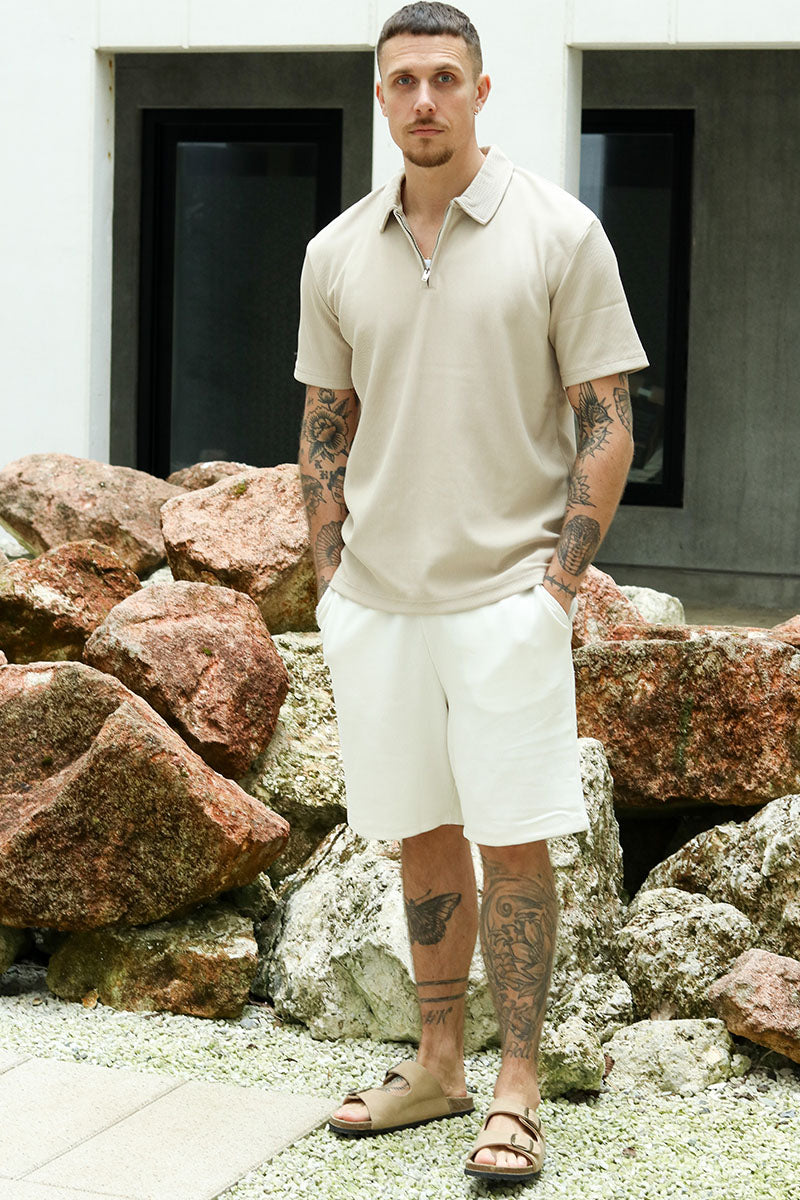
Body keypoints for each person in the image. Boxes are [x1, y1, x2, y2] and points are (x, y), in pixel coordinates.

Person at [295, 1, 646, 1184]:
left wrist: (554, 589)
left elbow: (605, 422)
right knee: (421, 835)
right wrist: (332, 582)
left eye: (444, 77)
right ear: (379, 97)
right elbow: (323, 427)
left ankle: (516, 1086)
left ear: (480, 92)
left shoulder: (560, 233)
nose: (423, 99)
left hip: (507, 598)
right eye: (402, 80)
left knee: (513, 842)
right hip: (379, 606)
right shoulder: (336, 252)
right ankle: (438, 1067)